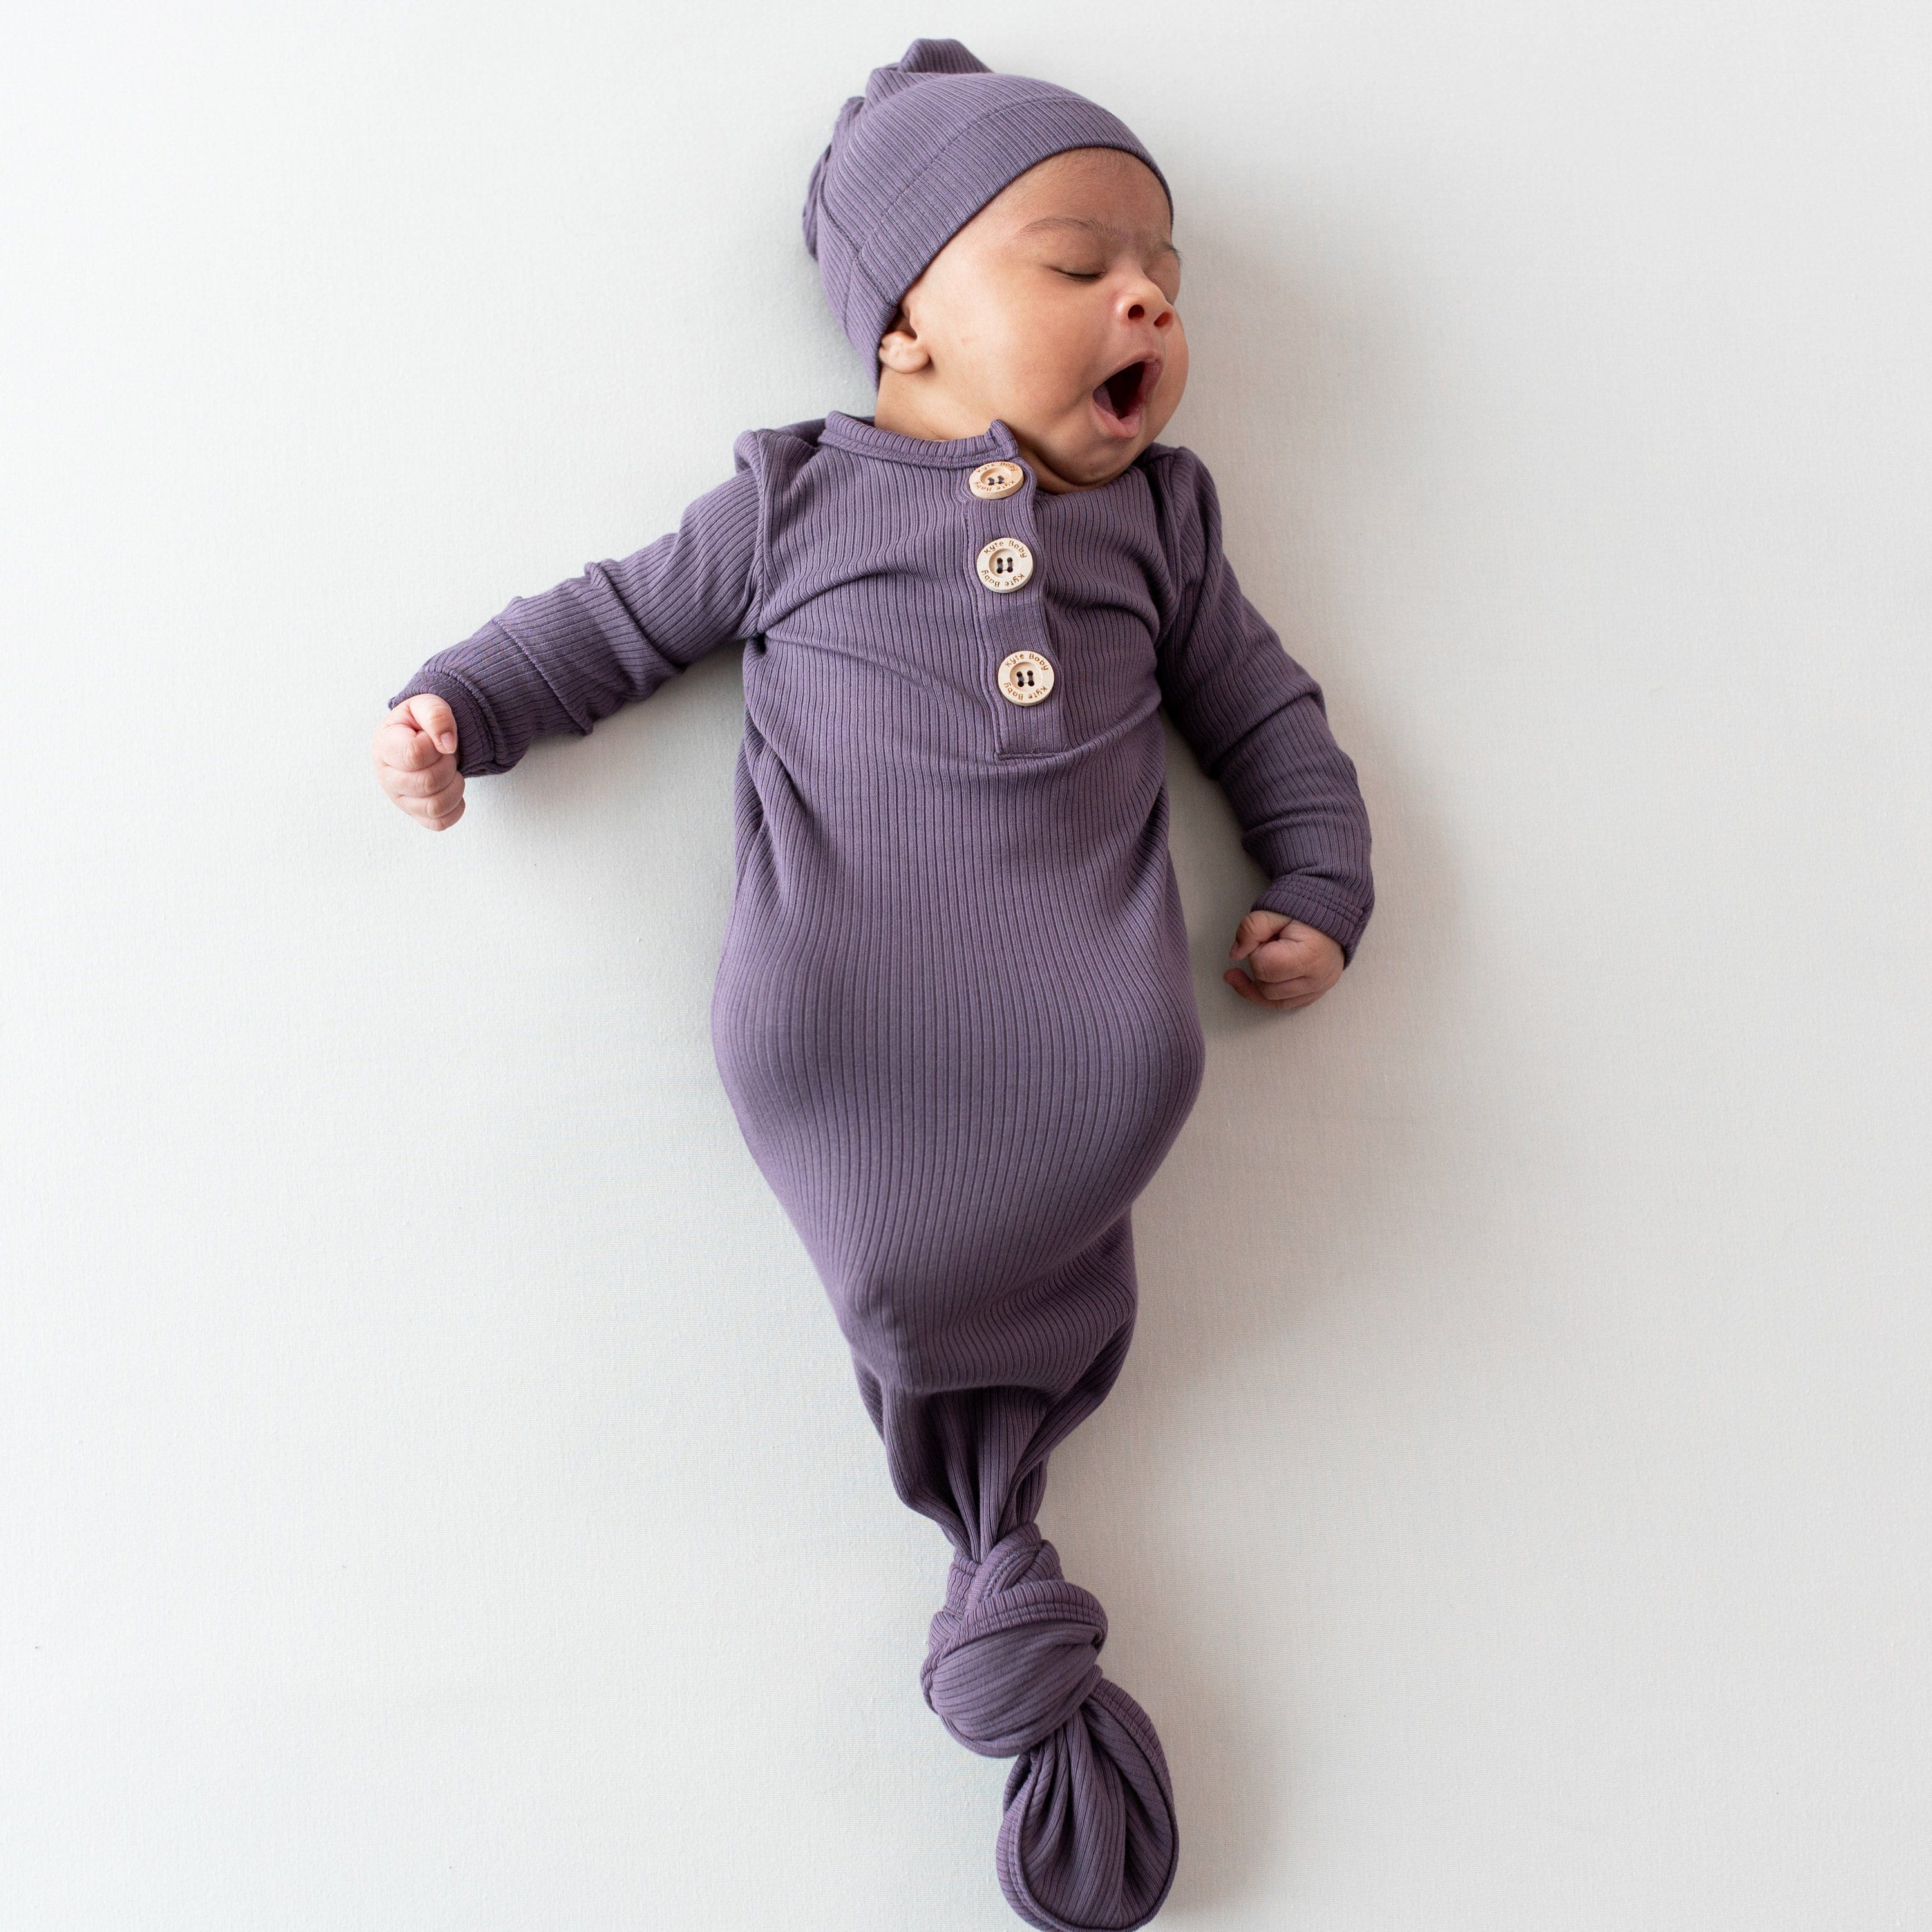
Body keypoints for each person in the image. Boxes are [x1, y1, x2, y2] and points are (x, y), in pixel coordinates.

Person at [371, 37, 1374, 1932]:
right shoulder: (797, 497)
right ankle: (982, 1491)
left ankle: (999, 1521)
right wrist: (462, 708)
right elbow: (609, 623)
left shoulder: (1161, 530)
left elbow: (1268, 719)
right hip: (833, 1011)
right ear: (905, 329)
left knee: (1125, 1065)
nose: (1144, 297)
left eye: (1163, 274)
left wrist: (1323, 882)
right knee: (895, 1232)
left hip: (1092, 1018)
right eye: (1076, 264)